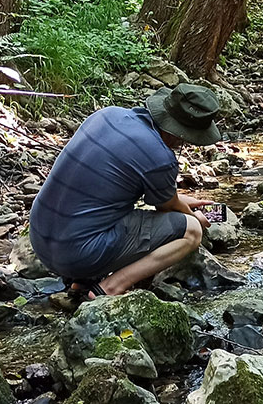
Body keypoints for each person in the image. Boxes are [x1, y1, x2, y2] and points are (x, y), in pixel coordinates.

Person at [29, 83, 223, 299]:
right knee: (192, 231)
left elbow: (105, 187)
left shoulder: (107, 114)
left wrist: (179, 200)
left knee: (102, 210)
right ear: (183, 135)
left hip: (40, 238)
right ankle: (111, 287)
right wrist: (192, 215)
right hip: (77, 253)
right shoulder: (160, 157)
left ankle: (81, 283)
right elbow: (165, 206)